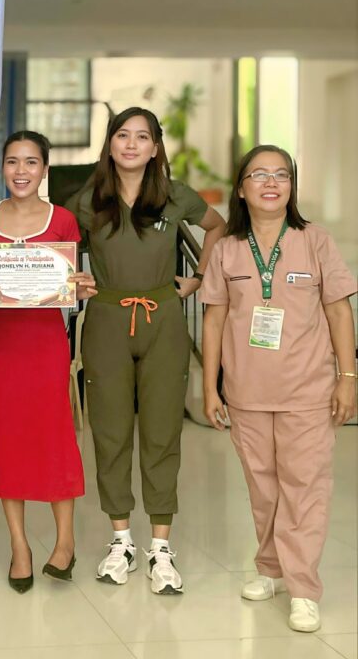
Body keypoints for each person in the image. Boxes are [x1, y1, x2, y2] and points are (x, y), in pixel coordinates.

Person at [67, 107, 226, 595]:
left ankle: (160, 546)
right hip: (107, 319)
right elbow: (57, 247)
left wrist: (199, 278)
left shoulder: (175, 196)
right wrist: (73, 279)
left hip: (163, 320)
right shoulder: (88, 200)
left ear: (156, 147)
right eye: (123, 135)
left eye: (142, 137)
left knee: (161, 432)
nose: (132, 144)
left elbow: (217, 226)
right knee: (110, 432)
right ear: (110, 144)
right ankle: (120, 541)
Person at [201, 145, 356, 634]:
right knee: (263, 489)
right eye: (259, 174)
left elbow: (338, 311)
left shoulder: (315, 241)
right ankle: (271, 569)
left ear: (292, 185)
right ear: (240, 188)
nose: (271, 183)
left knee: (304, 489)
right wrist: (210, 388)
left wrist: (348, 377)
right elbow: (214, 319)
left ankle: (303, 588)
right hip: (246, 391)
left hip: (308, 391)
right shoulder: (227, 249)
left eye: (281, 174)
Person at [0, 131, 97, 592]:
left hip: (45, 343)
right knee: (6, 440)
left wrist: (80, 287)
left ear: (45, 169)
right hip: (2, 344)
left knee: (53, 436)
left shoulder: (62, 219)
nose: (21, 171)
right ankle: (20, 546)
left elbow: (69, 288)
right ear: (2, 167)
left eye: (30, 162)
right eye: (12, 161)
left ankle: (65, 541)